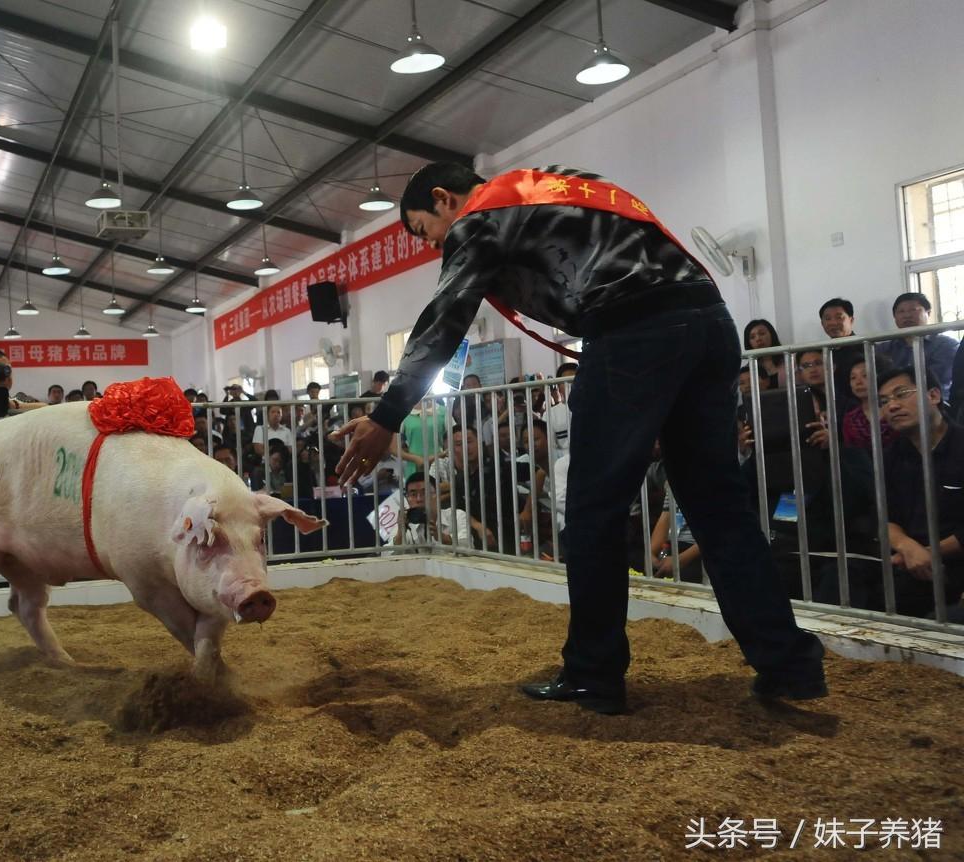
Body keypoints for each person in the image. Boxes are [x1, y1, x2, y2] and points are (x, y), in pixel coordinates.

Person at [333, 162, 825, 714]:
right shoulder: (571, 186)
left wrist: (386, 417)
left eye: (426, 231)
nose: (434, 245)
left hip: (633, 335)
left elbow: (445, 317)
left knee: (592, 509)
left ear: (445, 199)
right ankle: (790, 663)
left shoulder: (480, 216)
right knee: (718, 508)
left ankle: (594, 672)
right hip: (710, 323)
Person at [816, 366, 964, 616]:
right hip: (906, 560)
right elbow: (884, 517)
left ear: (934, 395)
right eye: (884, 401)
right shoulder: (891, 456)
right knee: (838, 575)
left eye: (902, 393)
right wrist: (906, 546)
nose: (892, 406)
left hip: (952, 562)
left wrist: (925, 553)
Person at [876, 292, 957, 394]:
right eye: (901, 311)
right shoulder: (883, 348)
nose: (907, 315)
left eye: (913, 310)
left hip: (934, 402)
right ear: (895, 317)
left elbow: (935, 380)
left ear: (928, 313)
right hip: (893, 402)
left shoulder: (946, 345)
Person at [819, 297, 864, 416]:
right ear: (822, 324)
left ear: (851, 320)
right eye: (827, 319)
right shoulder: (822, 354)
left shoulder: (865, 349)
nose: (833, 323)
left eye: (839, 317)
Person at [841, 358, 894, 451]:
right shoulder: (850, 419)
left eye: (865, 375)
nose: (858, 382)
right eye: (853, 378)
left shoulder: (895, 409)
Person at [544, 361, 577, 460]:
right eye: (565, 382)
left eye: (574, 380)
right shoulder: (550, 414)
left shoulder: (595, 409)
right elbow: (551, 448)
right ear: (558, 386)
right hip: (564, 464)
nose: (571, 385)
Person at [744, 319, 787, 389]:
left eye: (762, 333)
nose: (758, 339)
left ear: (772, 335)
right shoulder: (748, 369)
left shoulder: (790, 359)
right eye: (752, 337)